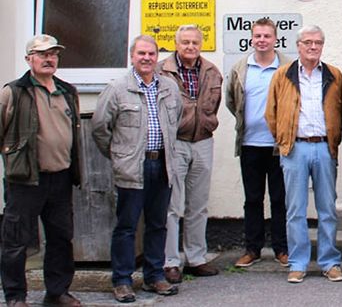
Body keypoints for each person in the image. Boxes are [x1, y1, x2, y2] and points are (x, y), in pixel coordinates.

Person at [92, 35, 183, 302]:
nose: (146, 58)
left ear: (157, 58)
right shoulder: (118, 88)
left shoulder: (168, 87)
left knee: (157, 224)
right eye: (141, 53)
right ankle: (122, 280)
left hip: (163, 164)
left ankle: (154, 276)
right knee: (127, 226)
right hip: (133, 167)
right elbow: (100, 128)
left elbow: (175, 121)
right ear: (132, 56)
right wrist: (120, 155)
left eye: (151, 54)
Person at [0, 35, 83, 307]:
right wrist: (13, 159)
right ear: (29, 59)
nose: (49, 59)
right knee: (16, 241)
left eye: (54, 54)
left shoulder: (67, 91)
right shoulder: (13, 92)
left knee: (61, 238)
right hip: (25, 180)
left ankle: (57, 292)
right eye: (42, 54)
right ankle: (15, 296)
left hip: (60, 177)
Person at [265, 25, 342, 284]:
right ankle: (298, 262)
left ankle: (329, 261)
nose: (313, 47)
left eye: (318, 43)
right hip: (295, 148)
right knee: (296, 210)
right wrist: (283, 139)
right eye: (308, 42)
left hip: (324, 147)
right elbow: (271, 113)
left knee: (327, 209)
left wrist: (333, 140)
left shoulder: (335, 75)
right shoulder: (282, 75)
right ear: (298, 45)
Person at [159, 25, 223, 283]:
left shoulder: (211, 71)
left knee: (198, 204)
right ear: (176, 44)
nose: (190, 46)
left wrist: (205, 123)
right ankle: (171, 261)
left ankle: (196, 257)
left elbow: (218, 103)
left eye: (195, 42)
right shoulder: (162, 71)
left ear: (201, 44)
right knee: (172, 206)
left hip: (203, 141)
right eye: (185, 42)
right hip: (174, 142)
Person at [225, 18, 291, 268]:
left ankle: (281, 249)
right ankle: (252, 249)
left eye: (267, 36)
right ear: (252, 39)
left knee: (279, 198)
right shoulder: (241, 68)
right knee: (252, 199)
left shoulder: (287, 67)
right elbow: (232, 101)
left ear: (276, 39)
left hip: (278, 145)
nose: (262, 40)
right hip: (250, 144)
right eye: (258, 36)